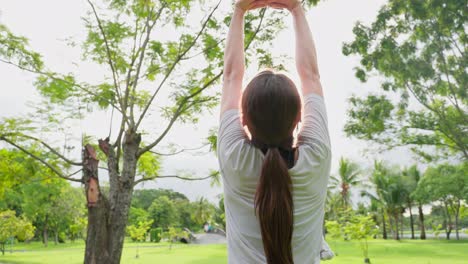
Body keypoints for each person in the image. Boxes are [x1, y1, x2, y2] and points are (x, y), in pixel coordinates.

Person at [217, 0, 333, 263]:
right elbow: (311, 76)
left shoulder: (234, 157)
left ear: (243, 119)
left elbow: (231, 76)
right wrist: (295, 8)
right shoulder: (316, 157)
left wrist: (239, 10)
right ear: (300, 117)